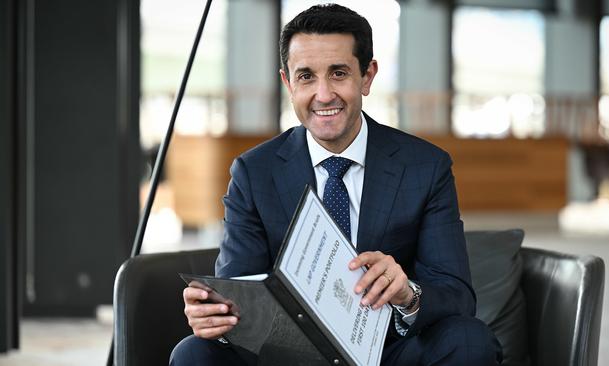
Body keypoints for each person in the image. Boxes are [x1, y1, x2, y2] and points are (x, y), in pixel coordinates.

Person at [170, 4, 502, 365]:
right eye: (306, 76)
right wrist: (215, 315)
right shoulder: (254, 172)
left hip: (390, 352)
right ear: (288, 83)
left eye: (338, 73)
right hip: (288, 355)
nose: (324, 94)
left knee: (470, 340)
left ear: (367, 76)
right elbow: (240, 290)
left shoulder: (426, 167)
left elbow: (457, 296)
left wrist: (408, 294)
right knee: (193, 353)